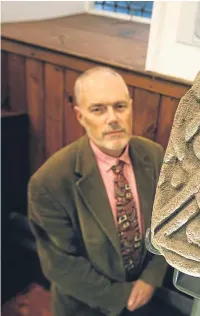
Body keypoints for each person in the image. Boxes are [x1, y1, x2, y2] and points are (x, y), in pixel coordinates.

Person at [28, 67, 171, 316]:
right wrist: (122, 297)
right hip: (86, 305)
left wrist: (151, 276)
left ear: (131, 107)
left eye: (119, 106)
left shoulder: (154, 156)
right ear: (80, 116)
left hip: (148, 295)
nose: (112, 118)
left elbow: (168, 222)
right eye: (98, 109)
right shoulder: (49, 182)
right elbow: (60, 263)